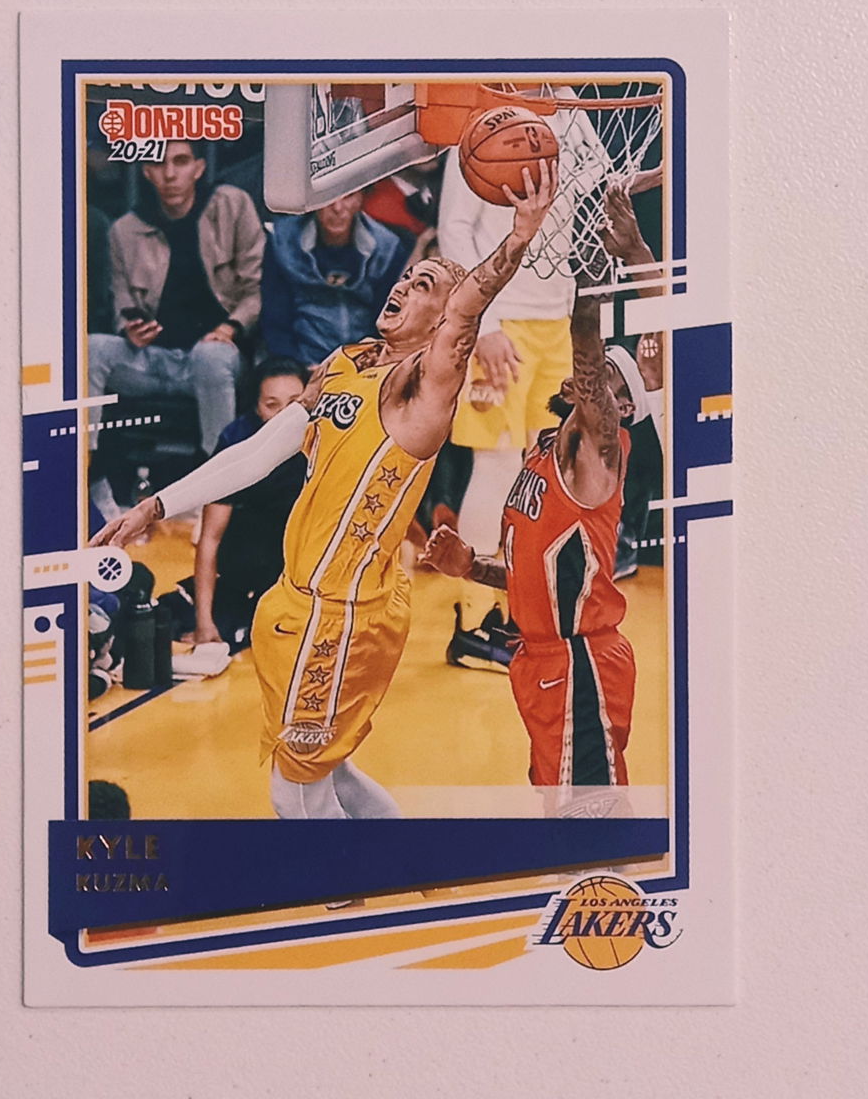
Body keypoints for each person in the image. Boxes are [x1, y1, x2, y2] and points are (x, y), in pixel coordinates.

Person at [93, 162, 559, 820]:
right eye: (408, 276)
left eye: (425, 285)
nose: (404, 284)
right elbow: (258, 452)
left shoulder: (424, 390)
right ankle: (395, 865)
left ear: (445, 323)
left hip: (344, 616)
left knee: (293, 793)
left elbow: (466, 309)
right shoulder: (346, 364)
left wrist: (519, 237)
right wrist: (155, 505)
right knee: (332, 775)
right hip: (297, 600)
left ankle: (345, 886)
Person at [420, 183, 659, 792]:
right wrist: (471, 567)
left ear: (617, 409)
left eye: (606, 382)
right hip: (540, 657)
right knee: (555, 798)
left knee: (589, 811)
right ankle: (479, 626)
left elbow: (593, 360)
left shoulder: (600, 454)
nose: (589, 378)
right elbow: (539, 578)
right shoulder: (544, 454)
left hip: (582, 662)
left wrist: (595, 278)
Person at [437, 99, 662, 665]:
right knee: (495, 463)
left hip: (554, 318)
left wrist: (647, 177)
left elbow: (596, 183)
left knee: (538, 474)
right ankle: (473, 622)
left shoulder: (570, 110)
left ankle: (517, 613)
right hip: (503, 320)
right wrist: (484, 321)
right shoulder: (483, 123)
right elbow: (452, 229)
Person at [87, 139, 265, 480]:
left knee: (210, 356)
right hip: (153, 361)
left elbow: (256, 289)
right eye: (159, 164)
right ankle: (88, 468)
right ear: (146, 171)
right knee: (91, 349)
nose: (170, 174)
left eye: (180, 162)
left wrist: (229, 328)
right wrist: (130, 329)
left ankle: (218, 478)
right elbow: (121, 300)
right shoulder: (125, 230)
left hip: (217, 356)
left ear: (198, 168)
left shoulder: (231, 205)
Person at [160, 359, 310, 669]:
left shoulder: (324, 436)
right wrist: (204, 623)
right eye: (272, 405)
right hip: (247, 556)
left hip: (302, 564)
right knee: (200, 622)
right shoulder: (237, 439)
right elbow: (210, 539)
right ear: (256, 407)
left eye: (295, 403)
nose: (285, 416)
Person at [260, 190, 408, 367]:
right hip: (298, 361)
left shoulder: (386, 247)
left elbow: (387, 323)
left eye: (348, 196)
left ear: (360, 198)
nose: (337, 208)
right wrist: (296, 365)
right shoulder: (282, 240)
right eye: (327, 197)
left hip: (364, 363)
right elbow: (275, 318)